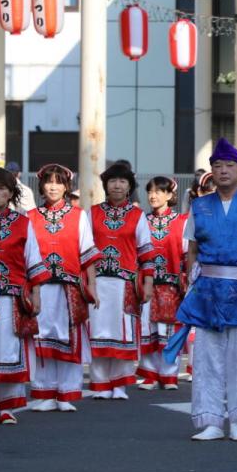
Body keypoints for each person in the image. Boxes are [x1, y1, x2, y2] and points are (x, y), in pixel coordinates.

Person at [177, 138, 237, 441]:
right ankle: (211, 421)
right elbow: (192, 249)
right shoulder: (200, 206)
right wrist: (192, 282)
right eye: (217, 166)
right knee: (207, 357)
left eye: (229, 165)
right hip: (207, 290)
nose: (223, 171)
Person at [0, 168, 48, 424]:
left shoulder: (23, 223)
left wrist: (36, 294)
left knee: (8, 350)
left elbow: (33, 260)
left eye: (2, 188)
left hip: (12, 297)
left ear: (11, 192)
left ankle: (7, 407)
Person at [28, 165, 99, 412]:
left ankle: (67, 393)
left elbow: (87, 253)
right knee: (42, 337)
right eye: (49, 182)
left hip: (70, 287)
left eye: (59, 182)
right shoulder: (31, 216)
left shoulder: (79, 215)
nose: (53, 187)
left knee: (69, 338)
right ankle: (45, 392)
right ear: (42, 186)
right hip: (41, 286)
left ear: (66, 187)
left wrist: (92, 286)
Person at [88, 161, 154, 400]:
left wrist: (148, 283)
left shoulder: (138, 216)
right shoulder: (92, 213)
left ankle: (119, 384)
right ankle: (100, 383)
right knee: (98, 331)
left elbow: (146, 252)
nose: (117, 185)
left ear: (129, 187)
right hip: (97, 282)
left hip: (125, 284)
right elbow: (84, 250)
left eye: (122, 181)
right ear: (105, 185)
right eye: (113, 181)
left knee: (122, 332)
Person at [138, 176, 188, 391]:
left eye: (159, 191)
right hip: (147, 282)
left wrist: (186, 278)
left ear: (169, 195)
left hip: (171, 283)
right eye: (150, 191)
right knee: (148, 328)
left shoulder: (181, 221)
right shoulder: (142, 220)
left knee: (168, 329)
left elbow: (187, 253)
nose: (153, 195)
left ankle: (169, 375)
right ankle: (149, 374)